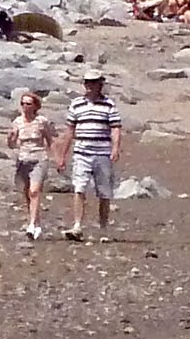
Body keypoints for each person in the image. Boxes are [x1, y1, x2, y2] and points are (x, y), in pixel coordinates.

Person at [62, 69, 122, 242]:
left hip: (102, 151)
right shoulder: (76, 104)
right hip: (81, 151)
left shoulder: (109, 104)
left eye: (92, 82)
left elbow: (115, 127)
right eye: (87, 82)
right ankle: (77, 225)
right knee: (79, 187)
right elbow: (69, 130)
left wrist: (115, 148)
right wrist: (63, 155)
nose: (89, 85)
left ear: (99, 84)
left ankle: (104, 228)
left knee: (104, 191)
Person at [8, 92, 59, 239]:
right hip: (23, 160)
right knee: (26, 193)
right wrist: (10, 137)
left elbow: (50, 141)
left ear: (35, 106)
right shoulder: (17, 122)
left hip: (39, 159)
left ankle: (31, 225)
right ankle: (36, 222)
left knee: (34, 191)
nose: (25, 106)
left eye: (28, 104)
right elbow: (12, 145)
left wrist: (57, 159)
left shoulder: (42, 121)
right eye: (23, 103)